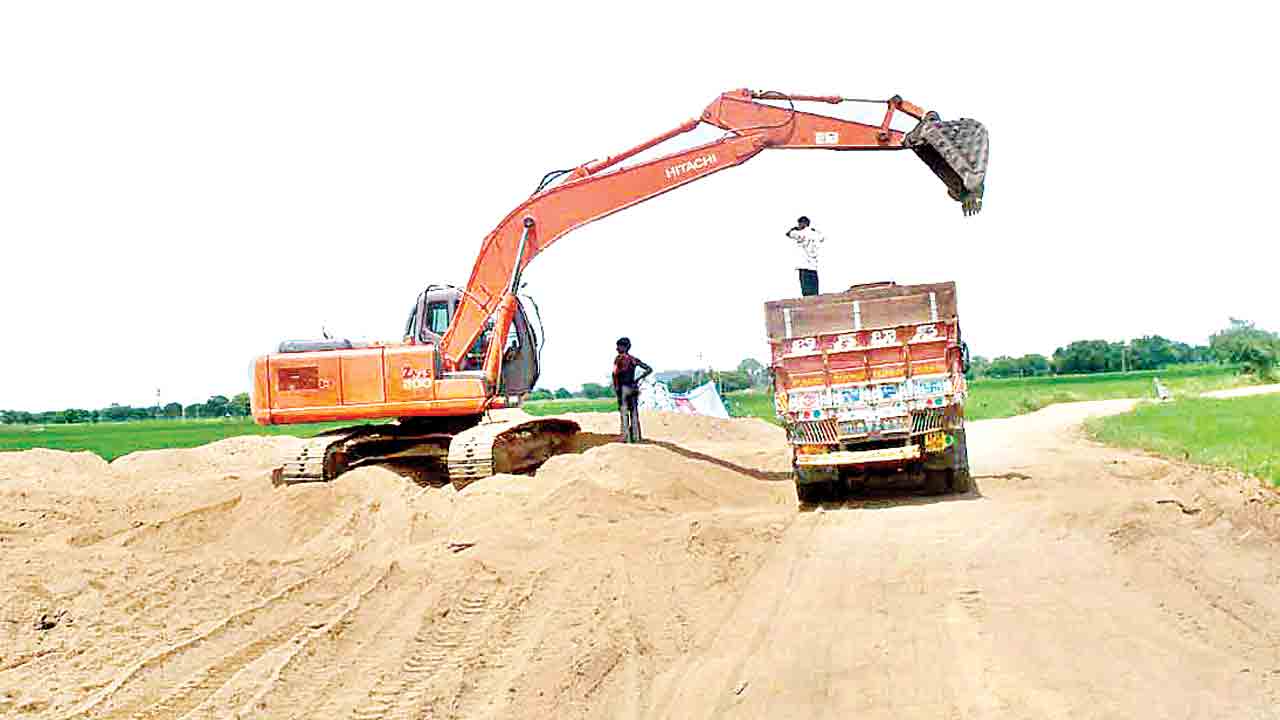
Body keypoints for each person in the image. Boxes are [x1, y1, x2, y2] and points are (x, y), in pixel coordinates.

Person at [611, 337, 652, 443]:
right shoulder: (633, 359)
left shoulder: (619, 359)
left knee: (624, 412)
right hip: (633, 387)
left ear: (623, 347)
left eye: (618, 346)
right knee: (634, 413)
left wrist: (616, 389)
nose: (617, 348)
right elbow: (649, 369)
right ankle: (636, 437)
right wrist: (638, 378)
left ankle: (626, 438)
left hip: (624, 388)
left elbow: (615, 374)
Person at [785, 215, 824, 296]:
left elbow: (788, 233)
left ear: (803, 223)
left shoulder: (799, 233)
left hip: (804, 266)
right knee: (815, 293)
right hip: (813, 267)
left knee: (806, 293)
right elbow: (822, 237)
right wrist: (813, 230)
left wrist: (795, 228)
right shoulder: (815, 234)